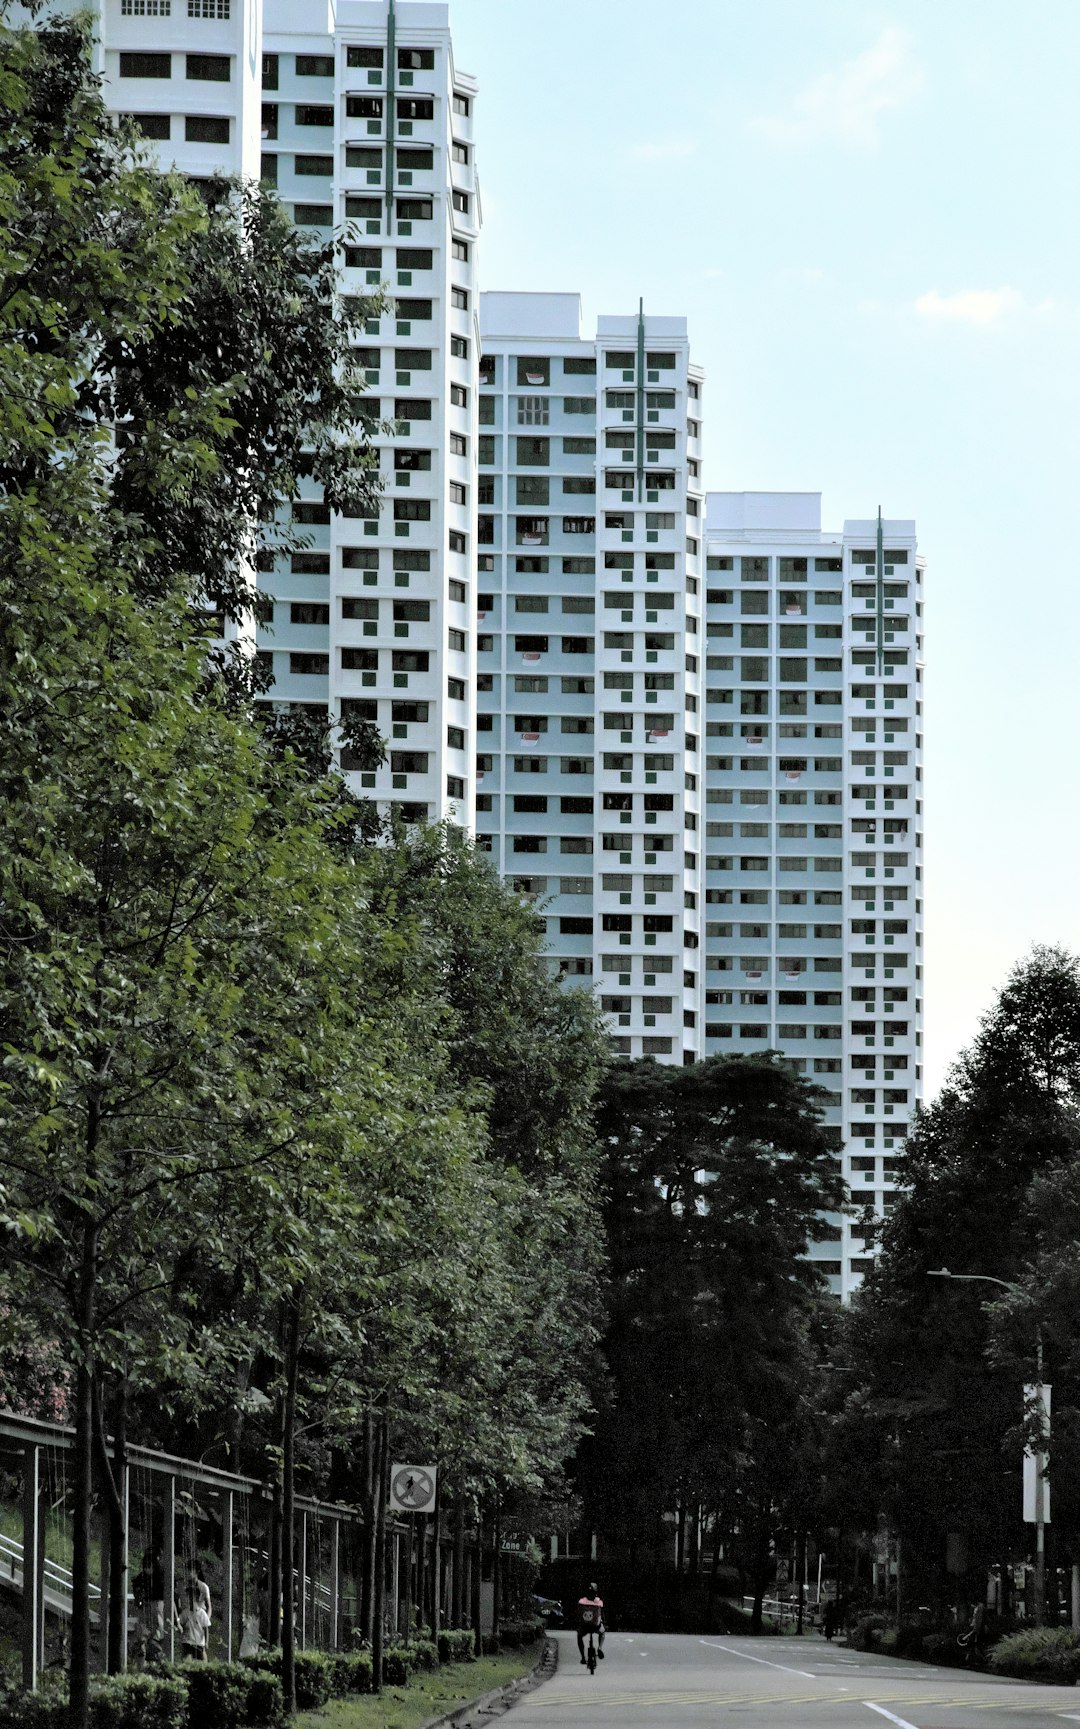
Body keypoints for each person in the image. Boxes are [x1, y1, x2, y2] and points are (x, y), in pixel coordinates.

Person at [576, 1582, 605, 1663]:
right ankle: (599, 1648)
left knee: (579, 1636)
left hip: (584, 1626)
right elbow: (601, 1615)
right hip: (596, 1626)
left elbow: (578, 1614)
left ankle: (583, 1657)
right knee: (602, 1633)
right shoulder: (599, 1602)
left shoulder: (582, 1601)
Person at [178, 1587, 210, 1661]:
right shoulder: (185, 1612)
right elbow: (179, 1621)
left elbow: (206, 1628)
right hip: (187, 1641)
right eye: (188, 1597)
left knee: (201, 1662)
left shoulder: (202, 1613)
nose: (189, 1600)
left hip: (199, 1642)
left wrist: (206, 1642)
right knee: (186, 1660)